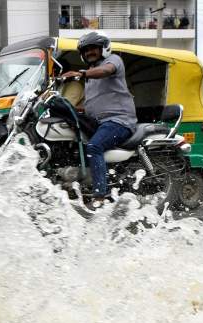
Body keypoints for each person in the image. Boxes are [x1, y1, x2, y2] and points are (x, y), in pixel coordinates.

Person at [62, 31, 136, 209]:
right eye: (86, 50)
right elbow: (90, 105)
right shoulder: (89, 79)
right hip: (99, 123)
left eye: (93, 48)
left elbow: (106, 71)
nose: (89, 53)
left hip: (119, 121)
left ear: (104, 48)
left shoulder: (113, 61)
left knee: (94, 146)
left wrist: (81, 74)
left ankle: (99, 197)